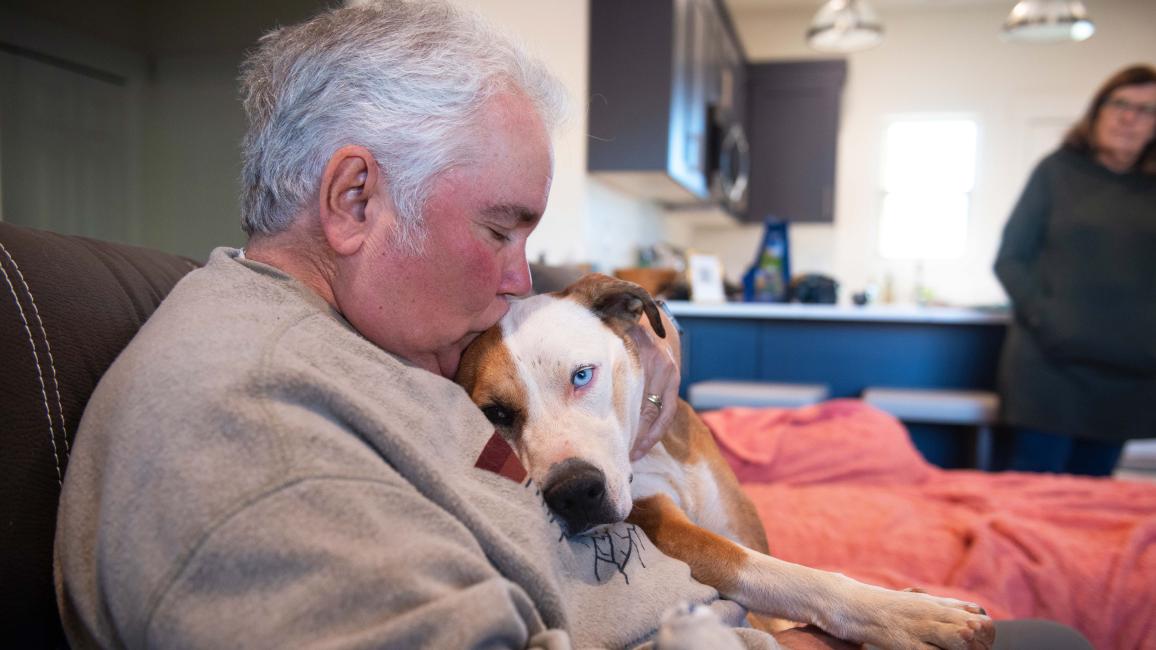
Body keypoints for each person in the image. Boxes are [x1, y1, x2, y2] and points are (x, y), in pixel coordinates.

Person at [53, 2, 1091, 648]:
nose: (518, 278)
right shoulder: (253, 427)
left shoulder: (368, 349)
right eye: (499, 229)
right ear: (355, 199)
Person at [994, 64, 1156, 476]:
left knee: (1093, 497)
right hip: (1051, 369)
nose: (1129, 118)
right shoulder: (1057, 171)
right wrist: (1047, 319)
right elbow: (1011, 258)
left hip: (1127, 373)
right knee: (1032, 492)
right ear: (1097, 111)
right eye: (1119, 104)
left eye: (1146, 110)